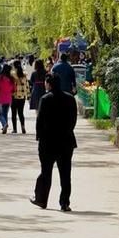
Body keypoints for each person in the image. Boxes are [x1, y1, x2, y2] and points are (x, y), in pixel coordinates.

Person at [30, 73, 77, 212]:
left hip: (48, 142)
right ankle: (64, 203)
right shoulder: (70, 98)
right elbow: (73, 120)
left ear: (49, 84)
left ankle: (41, 200)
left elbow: (40, 120)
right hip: (66, 141)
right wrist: (67, 131)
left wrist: (39, 136)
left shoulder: (45, 99)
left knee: (46, 172)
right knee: (65, 173)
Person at [0, 63, 15, 134]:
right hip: (8, 98)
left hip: (0, 98)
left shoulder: (0, 78)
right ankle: (5, 126)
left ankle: (4, 124)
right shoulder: (11, 79)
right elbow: (13, 89)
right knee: (5, 113)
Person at [11, 59, 29, 134]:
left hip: (14, 96)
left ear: (14, 66)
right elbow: (27, 85)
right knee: (21, 113)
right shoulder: (24, 74)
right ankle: (23, 126)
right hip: (22, 96)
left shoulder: (12, 74)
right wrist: (27, 95)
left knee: (14, 113)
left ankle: (15, 129)